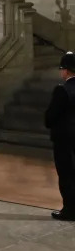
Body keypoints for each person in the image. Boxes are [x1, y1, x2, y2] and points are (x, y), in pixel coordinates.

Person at [44, 51, 75, 221]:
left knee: (66, 174)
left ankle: (70, 210)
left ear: (66, 70)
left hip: (65, 139)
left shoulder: (62, 90)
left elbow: (50, 118)